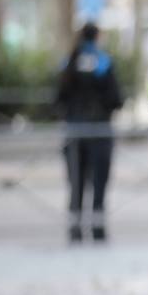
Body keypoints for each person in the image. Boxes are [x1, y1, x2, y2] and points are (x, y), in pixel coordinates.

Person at [56, 21, 123, 243]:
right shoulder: (103, 62)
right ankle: (98, 230)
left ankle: (75, 231)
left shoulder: (69, 62)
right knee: (99, 183)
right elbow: (116, 99)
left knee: (76, 183)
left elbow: (59, 97)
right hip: (100, 132)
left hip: (74, 132)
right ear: (97, 37)